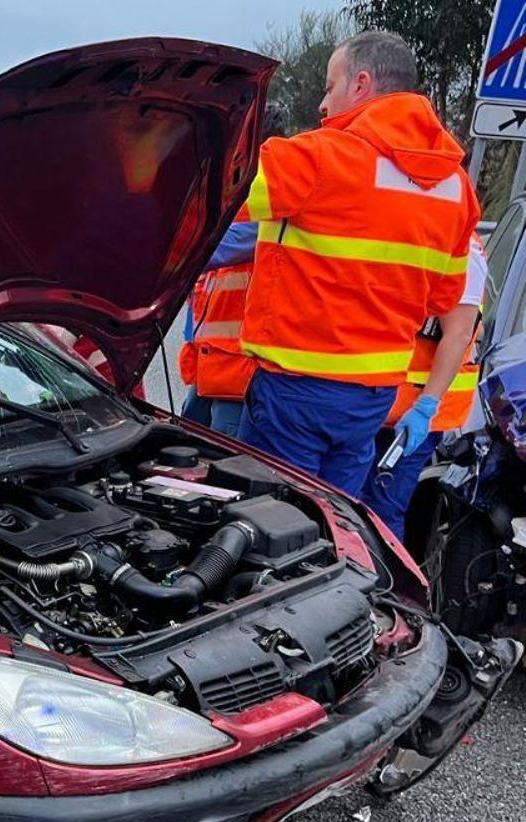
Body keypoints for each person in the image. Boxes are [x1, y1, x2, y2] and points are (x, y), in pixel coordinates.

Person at [220, 31, 479, 493]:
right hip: (371, 400)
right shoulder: (456, 188)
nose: (322, 104)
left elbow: (205, 194)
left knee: (269, 528)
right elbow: (443, 297)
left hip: (295, 393)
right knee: (333, 526)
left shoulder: (320, 158)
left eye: (328, 85)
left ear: (360, 84)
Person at [361, 233, 487, 539]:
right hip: (373, 404)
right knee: (351, 506)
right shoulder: (414, 231)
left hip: (411, 415)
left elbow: (457, 335)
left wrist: (426, 406)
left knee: (379, 512)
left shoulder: (461, 248)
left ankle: (381, 584)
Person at [179, 105, 289, 437]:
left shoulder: (270, 207)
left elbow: (206, 252)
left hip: (239, 373)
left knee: (223, 467)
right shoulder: (234, 201)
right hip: (212, 366)